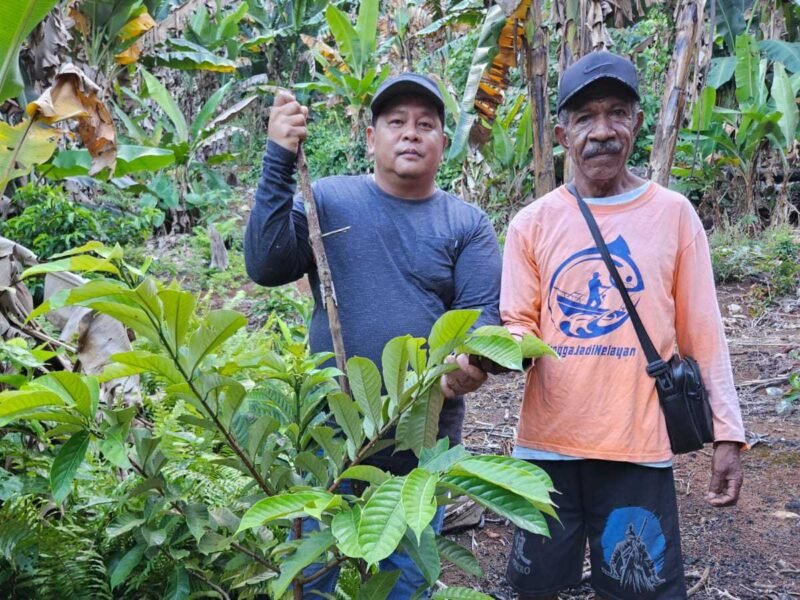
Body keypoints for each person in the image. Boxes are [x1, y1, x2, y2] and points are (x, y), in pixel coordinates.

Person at [500, 51, 746, 600]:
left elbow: (703, 330)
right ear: (563, 134)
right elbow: (517, 322)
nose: (602, 131)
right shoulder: (531, 225)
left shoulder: (674, 215)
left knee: (641, 589)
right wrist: (497, 350)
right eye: (585, 117)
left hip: (637, 447)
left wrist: (728, 433)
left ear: (637, 123)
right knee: (535, 589)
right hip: (546, 452)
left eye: (616, 113)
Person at [244, 73, 499, 598]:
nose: (410, 134)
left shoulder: (467, 223)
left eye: (425, 124)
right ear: (370, 138)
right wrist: (277, 158)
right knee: (314, 581)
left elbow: (479, 318)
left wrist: (471, 366)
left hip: (419, 447)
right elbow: (266, 264)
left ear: (443, 145)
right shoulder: (329, 200)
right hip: (329, 442)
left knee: (405, 583)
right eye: (396, 123)